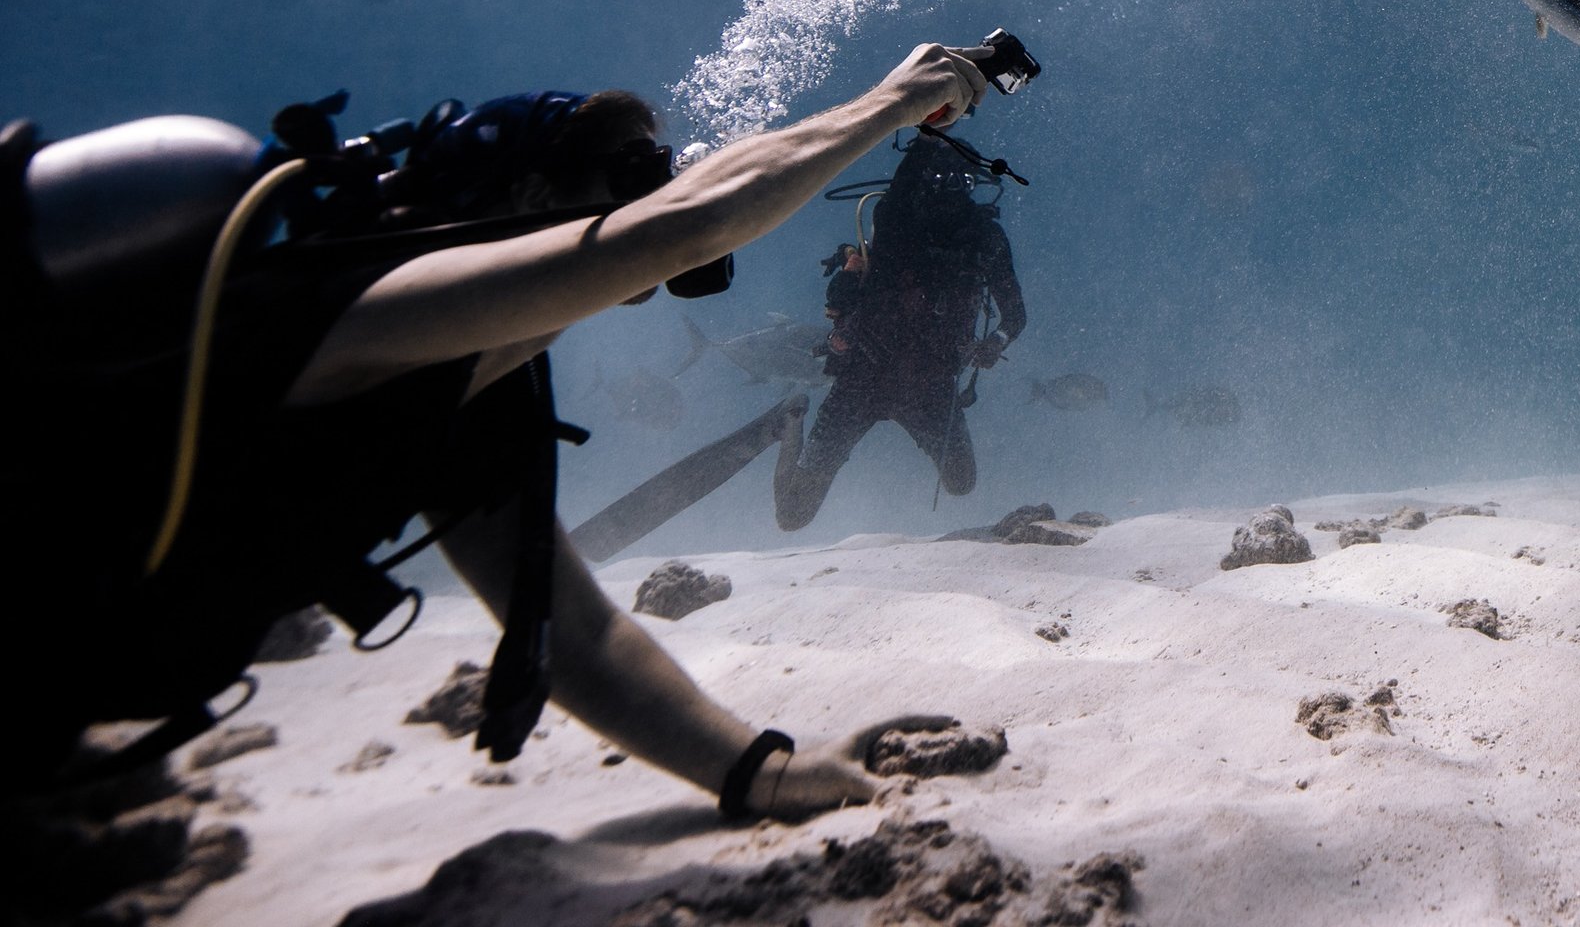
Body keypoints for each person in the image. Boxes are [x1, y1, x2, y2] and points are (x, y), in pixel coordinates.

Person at [6, 40, 988, 825]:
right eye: (622, 178)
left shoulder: (476, 396)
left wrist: (760, 773)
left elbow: (582, 638)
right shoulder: (350, 310)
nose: (646, 200)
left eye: (653, 177)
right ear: (525, 200)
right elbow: (682, 229)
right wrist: (890, 104)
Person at [773, 129, 1025, 528]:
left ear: (973, 183)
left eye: (961, 178)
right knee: (792, 516)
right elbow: (903, 185)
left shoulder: (985, 238)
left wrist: (996, 341)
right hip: (863, 374)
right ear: (923, 177)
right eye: (939, 176)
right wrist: (928, 136)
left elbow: (1015, 314)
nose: (949, 187)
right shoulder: (894, 219)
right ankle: (789, 419)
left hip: (931, 384)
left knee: (961, 482)